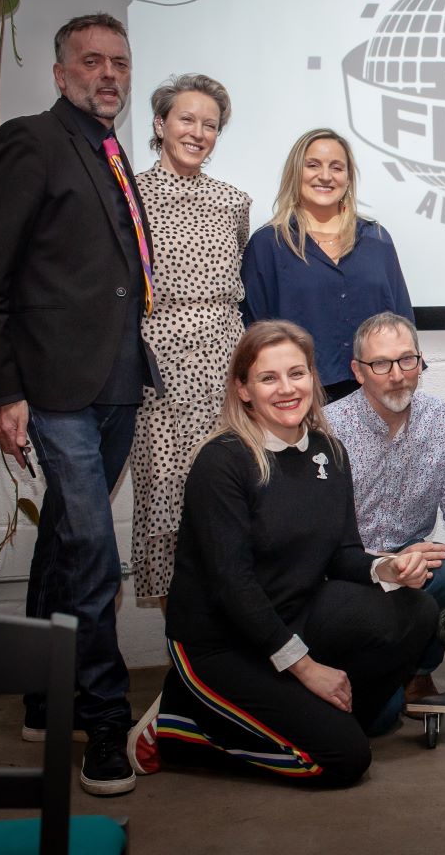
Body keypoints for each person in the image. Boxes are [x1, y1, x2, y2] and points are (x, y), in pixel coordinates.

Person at [0, 13, 158, 795]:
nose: (108, 74)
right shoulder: (31, 141)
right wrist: (5, 392)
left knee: (65, 542)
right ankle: (104, 722)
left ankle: (44, 701)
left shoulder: (109, 150)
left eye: (120, 62)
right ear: (60, 72)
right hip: (52, 387)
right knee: (93, 551)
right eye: (92, 61)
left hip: (116, 382)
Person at [128, 321, 436, 787]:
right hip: (222, 642)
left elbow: (343, 554)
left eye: (297, 373)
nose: (287, 389)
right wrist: (307, 670)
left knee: (417, 610)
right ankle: (179, 724)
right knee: (345, 759)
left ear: (313, 377)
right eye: (268, 378)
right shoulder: (222, 461)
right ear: (243, 389)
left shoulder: (330, 452)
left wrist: (387, 568)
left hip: (292, 617)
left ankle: (308, 718)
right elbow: (234, 587)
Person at [129, 74, 250, 608]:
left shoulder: (234, 202)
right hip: (157, 374)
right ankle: (181, 635)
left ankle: (229, 631)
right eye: (187, 119)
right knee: (166, 502)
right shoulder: (128, 198)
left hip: (224, 367)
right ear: (160, 125)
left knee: (226, 498)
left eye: (210, 124)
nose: (198, 132)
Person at [325, 312, 445, 702]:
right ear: (358, 371)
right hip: (348, 568)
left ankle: (418, 672)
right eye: (381, 363)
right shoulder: (328, 429)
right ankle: (377, 672)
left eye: (407, 360)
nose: (397, 375)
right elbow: (320, 535)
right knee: (381, 716)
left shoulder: (442, 420)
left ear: (420, 361)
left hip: (411, 557)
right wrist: (381, 563)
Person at [240, 128, 412, 403]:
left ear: (348, 178)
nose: (325, 176)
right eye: (313, 165)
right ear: (295, 173)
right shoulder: (267, 245)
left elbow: (402, 322)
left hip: (374, 397)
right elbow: (254, 333)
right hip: (298, 400)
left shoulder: (377, 239)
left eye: (336, 167)